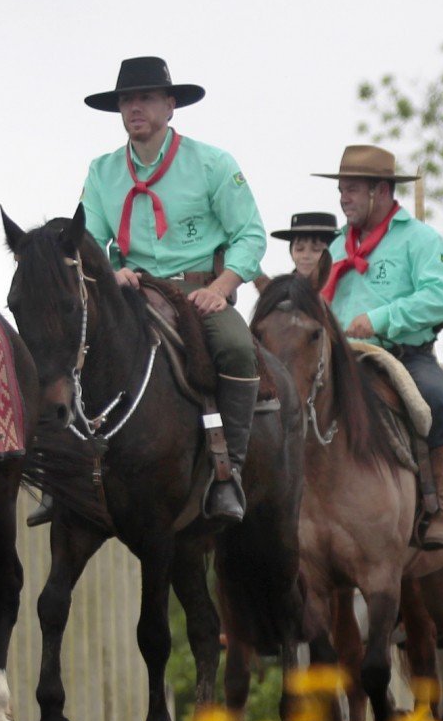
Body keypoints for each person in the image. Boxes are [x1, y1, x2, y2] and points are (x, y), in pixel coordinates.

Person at [78, 56, 266, 522]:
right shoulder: (102, 171)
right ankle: (72, 476)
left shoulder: (212, 163)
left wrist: (223, 286)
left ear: (170, 105)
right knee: (73, 347)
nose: (133, 107)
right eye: (126, 100)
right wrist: (108, 271)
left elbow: (251, 235)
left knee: (238, 350)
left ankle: (230, 474)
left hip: (197, 295)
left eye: (144, 98)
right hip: (131, 294)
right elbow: (85, 239)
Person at [315, 144, 443, 550]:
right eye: (341, 190)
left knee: (438, 402)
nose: (343, 198)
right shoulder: (336, 246)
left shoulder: (421, 239)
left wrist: (379, 319)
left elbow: (438, 299)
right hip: (342, 357)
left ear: (381, 191)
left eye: (352, 190)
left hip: (402, 356)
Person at [268, 210, 337, 292]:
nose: (306, 256)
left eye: (316, 249)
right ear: (291, 252)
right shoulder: (280, 293)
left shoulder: (344, 287)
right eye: (299, 249)